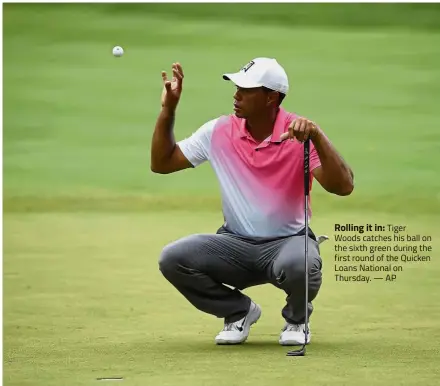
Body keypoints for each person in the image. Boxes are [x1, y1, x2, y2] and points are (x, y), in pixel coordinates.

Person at [151, 57, 354, 346]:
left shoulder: (300, 134)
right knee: (174, 259)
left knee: (302, 264)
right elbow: (162, 163)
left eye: (246, 90)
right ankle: (238, 312)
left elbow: (344, 187)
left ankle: (297, 320)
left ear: (271, 97)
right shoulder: (218, 131)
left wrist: (317, 137)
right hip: (235, 244)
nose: (236, 95)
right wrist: (168, 110)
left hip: (288, 242)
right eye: (236, 88)